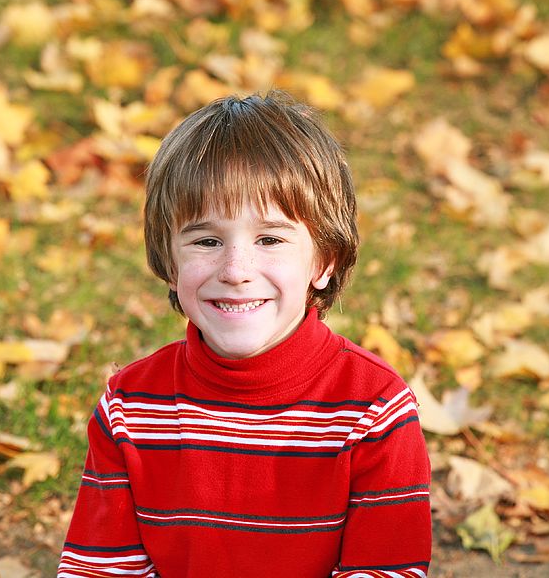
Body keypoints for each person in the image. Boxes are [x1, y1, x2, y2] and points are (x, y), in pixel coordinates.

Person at [58, 91, 432, 577]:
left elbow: (387, 569)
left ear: (323, 260)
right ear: (170, 263)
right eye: (207, 240)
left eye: (270, 239)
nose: (237, 270)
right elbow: (102, 569)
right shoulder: (131, 408)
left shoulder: (374, 407)